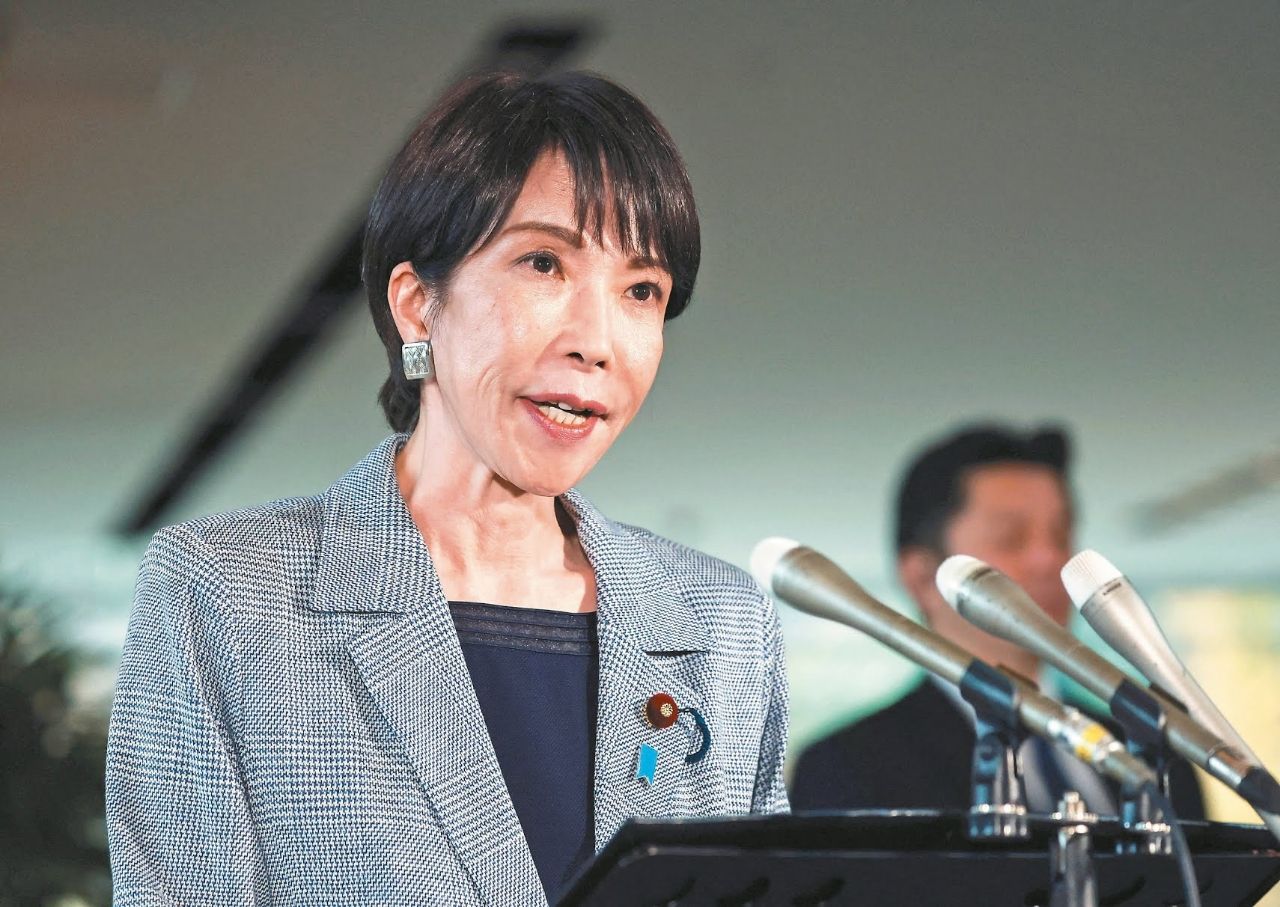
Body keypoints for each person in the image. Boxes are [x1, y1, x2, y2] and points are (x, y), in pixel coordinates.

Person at [106, 70, 788, 906]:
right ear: (417, 305)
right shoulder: (227, 593)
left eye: (641, 290)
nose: (598, 341)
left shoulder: (725, 627)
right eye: (544, 263)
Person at [789, 423, 1203, 819]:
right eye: (1011, 539)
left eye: (1061, 536)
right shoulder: (847, 766)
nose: (1050, 560)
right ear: (922, 577)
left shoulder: (1152, 759)